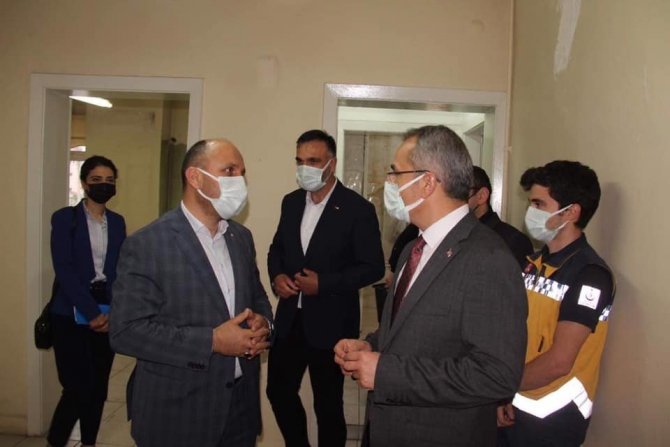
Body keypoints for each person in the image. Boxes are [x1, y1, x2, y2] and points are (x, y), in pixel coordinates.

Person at [334, 125, 528, 447]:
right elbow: (406, 329)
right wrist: (370, 346)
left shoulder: (488, 258)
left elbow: (497, 375)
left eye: (396, 174)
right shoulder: (413, 249)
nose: (390, 184)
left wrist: (387, 373)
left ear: (426, 182)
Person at [109, 139, 273, 447]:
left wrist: (264, 323)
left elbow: (258, 298)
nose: (240, 181)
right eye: (229, 171)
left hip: (240, 410)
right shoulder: (148, 244)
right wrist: (212, 341)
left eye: (242, 173)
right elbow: (125, 331)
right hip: (177, 414)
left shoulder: (241, 238)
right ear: (195, 177)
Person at [266, 129, 385, 447]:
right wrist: (277, 277)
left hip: (332, 324)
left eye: (313, 161)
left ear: (331, 164)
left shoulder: (357, 209)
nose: (304, 168)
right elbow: (277, 249)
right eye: (300, 161)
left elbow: (373, 266)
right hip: (290, 320)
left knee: (328, 405)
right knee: (278, 391)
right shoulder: (291, 203)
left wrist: (324, 283)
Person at [497, 161, 615, 447]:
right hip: (516, 403)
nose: (531, 212)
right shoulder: (533, 264)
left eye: (539, 204)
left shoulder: (590, 274)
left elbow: (559, 362)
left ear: (571, 212)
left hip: (554, 417)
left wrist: (502, 388)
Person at [47, 155, 126, 447]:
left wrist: (113, 311)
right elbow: (64, 269)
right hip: (71, 310)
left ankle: (89, 442)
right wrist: (91, 312)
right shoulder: (64, 218)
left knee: (98, 388)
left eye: (109, 180)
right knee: (77, 386)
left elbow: (118, 270)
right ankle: (56, 441)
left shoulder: (117, 222)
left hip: (107, 308)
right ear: (84, 183)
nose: (104, 185)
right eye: (96, 180)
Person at [468, 166, 533, 268]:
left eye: (460, 192)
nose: (452, 200)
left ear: (482, 196)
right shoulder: (455, 234)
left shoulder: (513, 241)